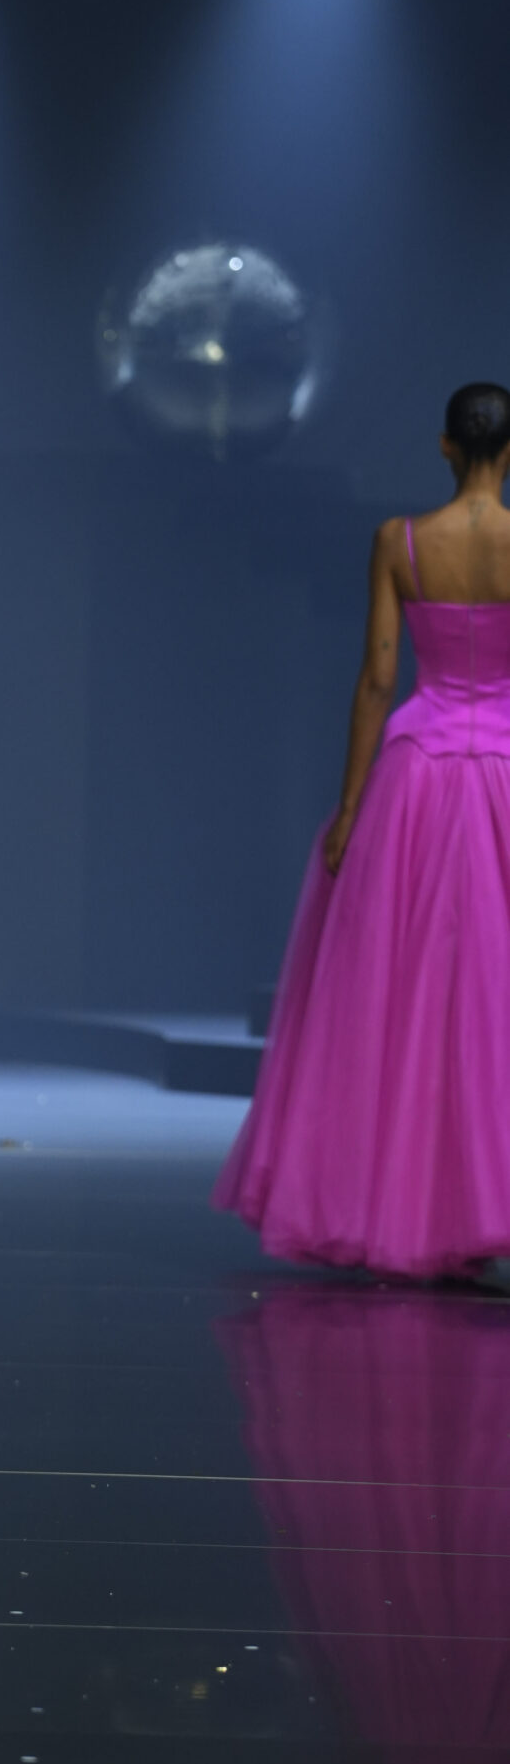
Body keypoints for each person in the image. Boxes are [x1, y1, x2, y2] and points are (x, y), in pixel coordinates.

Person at [216, 381, 510, 1279]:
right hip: (502, 769)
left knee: (407, 995)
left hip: (417, 775)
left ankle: (411, 1209)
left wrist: (350, 806)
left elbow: (377, 680)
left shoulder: (399, 541)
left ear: (444, 446)